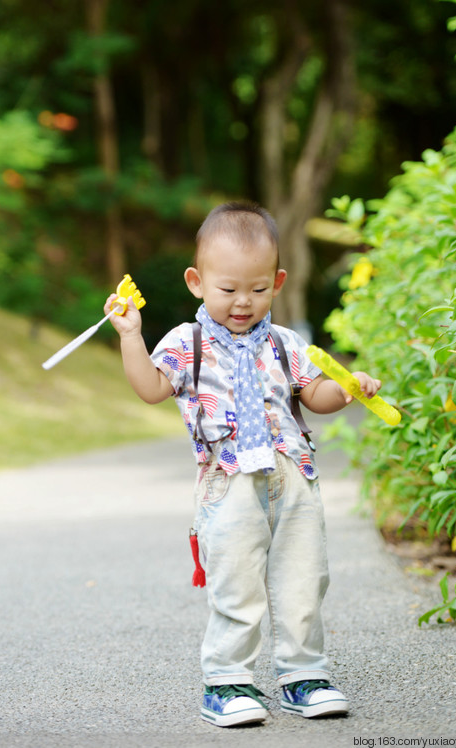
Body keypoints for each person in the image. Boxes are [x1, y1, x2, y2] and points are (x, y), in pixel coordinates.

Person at [104, 202, 381, 728]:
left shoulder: (284, 342)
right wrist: (130, 336)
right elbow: (150, 389)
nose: (242, 301)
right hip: (228, 482)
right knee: (237, 581)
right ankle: (227, 682)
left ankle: (304, 675)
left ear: (276, 282)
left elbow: (313, 394)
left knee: (305, 577)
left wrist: (346, 387)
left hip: (293, 475)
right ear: (196, 281)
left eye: (257, 289)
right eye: (228, 289)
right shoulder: (187, 344)